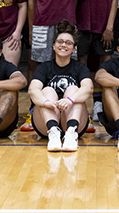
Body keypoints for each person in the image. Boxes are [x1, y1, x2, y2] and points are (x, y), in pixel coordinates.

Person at [22, 0, 87, 131]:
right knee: (36, 64)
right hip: (42, 21)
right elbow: (31, 0)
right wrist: (31, 28)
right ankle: (34, 110)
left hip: (66, 23)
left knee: (69, 66)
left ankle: (75, 110)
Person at [29, 21, 93, 152]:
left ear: (74, 49)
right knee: (46, 90)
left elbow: (88, 88)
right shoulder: (45, 67)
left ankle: (71, 133)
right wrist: (46, 102)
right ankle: (54, 132)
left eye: (68, 43)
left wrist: (70, 100)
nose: (63, 45)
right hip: (46, 122)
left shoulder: (79, 67)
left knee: (74, 90)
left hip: (72, 119)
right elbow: (32, 89)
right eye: (60, 41)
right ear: (53, 46)